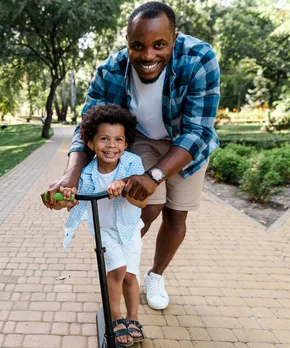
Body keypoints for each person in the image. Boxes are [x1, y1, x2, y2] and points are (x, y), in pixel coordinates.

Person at [42, 1, 220, 311]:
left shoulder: (199, 59)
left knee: (176, 214)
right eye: (138, 46)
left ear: (174, 39)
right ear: (128, 42)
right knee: (142, 209)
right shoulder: (110, 70)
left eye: (159, 45)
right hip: (144, 141)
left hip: (185, 144)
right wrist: (71, 176)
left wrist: (154, 176)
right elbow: (88, 127)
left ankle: (155, 275)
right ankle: (123, 268)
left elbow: (197, 131)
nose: (148, 55)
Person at [53, 104, 148, 346]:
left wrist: (125, 185)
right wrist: (62, 200)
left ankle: (132, 318)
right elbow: (71, 202)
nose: (111, 145)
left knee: (130, 274)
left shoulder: (132, 163)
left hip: (129, 229)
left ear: (126, 144)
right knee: (117, 270)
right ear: (90, 143)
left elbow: (142, 198)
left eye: (118, 139)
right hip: (103, 229)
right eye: (104, 139)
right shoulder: (85, 173)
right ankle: (115, 318)